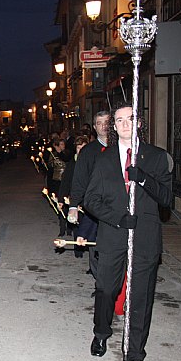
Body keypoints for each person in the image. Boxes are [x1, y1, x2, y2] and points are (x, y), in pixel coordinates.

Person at [84, 103, 172, 361]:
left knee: (140, 298)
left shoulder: (157, 157)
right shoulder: (105, 158)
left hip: (145, 238)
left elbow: (168, 199)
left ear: (140, 123)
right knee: (107, 290)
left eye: (129, 119)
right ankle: (101, 333)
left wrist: (142, 179)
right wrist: (119, 219)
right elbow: (91, 200)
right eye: (118, 120)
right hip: (113, 234)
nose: (124, 124)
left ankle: (135, 354)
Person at [68, 111, 111, 280]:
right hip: (95, 205)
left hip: (117, 205)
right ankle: (100, 285)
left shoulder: (122, 147)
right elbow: (79, 179)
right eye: (99, 123)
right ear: (94, 127)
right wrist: (73, 205)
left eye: (106, 122)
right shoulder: (88, 151)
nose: (103, 126)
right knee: (95, 245)